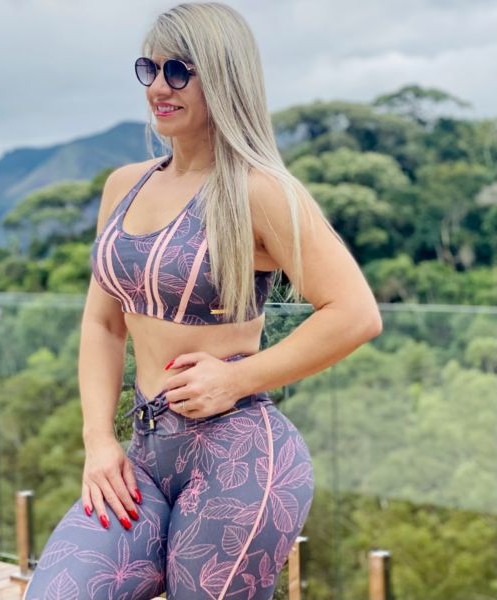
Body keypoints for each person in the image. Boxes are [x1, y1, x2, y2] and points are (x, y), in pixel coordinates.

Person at [23, 2, 382, 599]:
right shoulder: (124, 185)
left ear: (223, 76)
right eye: (150, 68)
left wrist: (237, 379)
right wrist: (98, 441)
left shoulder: (259, 191)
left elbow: (355, 313)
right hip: (142, 457)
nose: (159, 87)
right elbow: (103, 324)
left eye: (179, 71)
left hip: (240, 458)